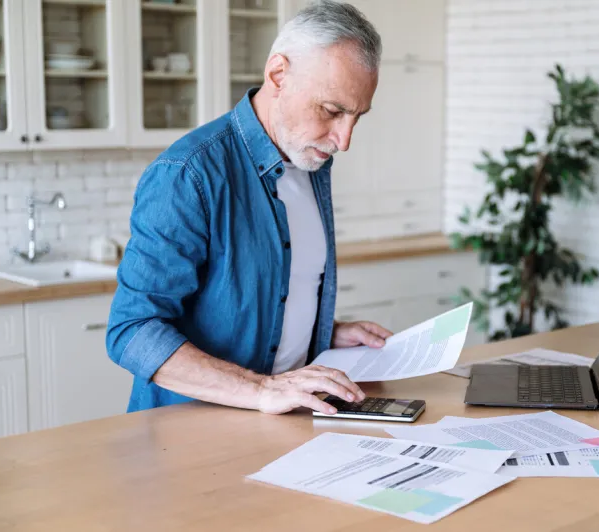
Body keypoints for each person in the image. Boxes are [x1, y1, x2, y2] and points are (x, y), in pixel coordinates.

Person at [106, 1, 389, 415]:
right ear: (278, 75)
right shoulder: (188, 173)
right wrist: (261, 390)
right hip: (187, 432)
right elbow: (132, 330)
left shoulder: (309, 162)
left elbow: (266, 300)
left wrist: (323, 333)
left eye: (356, 117)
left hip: (279, 425)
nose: (343, 140)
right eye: (332, 111)